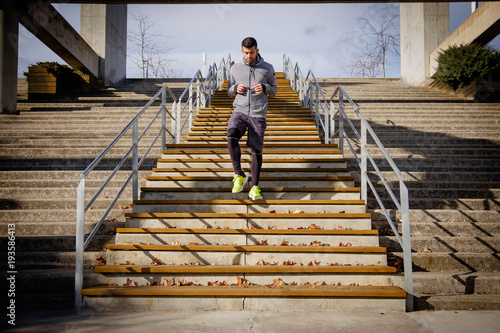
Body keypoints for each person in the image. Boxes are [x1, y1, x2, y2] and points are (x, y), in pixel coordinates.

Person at [227, 37, 278, 200]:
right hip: (240, 111)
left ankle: (254, 187)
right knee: (231, 134)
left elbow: (275, 90)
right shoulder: (235, 68)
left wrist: (265, 87)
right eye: (246, 52)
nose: (249, 56)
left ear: (257, 50)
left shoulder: (267, 68)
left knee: (256, 150)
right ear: (242, 50)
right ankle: (239, 175)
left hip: (258, 113)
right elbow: (229, 89)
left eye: (252, 52)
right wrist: (235, 88)